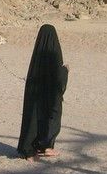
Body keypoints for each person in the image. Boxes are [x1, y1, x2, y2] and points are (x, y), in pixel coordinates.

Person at [17, 24, 69, 160]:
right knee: (51, 117)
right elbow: (58, 75)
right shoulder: (54, 51)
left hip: (36, 94)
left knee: (34, 119)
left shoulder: (37, 55)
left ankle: (40, 147)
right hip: (50, 95)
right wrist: (65, 70)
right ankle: (39, 148)